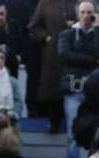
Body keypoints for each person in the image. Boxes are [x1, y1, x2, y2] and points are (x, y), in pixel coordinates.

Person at [57, 0, 99, 158]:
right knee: (72, 134)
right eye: (83, 12)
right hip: (74, 86)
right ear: (78, 14)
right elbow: (65, 55)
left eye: (90, 12)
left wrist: (98, 29)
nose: (87, 15)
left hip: (94, 89)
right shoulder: (67, 34)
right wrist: (93, 60)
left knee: (95, 132)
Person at [27, 0, 74, 131]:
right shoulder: (45, 3)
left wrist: (76, 25)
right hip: (53, 54)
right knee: (53, 88)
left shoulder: (79, 2)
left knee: (74, 87)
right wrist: (45, 37)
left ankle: (74, 125)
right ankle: (54, 121)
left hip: (76, 53)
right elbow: (34, 26)